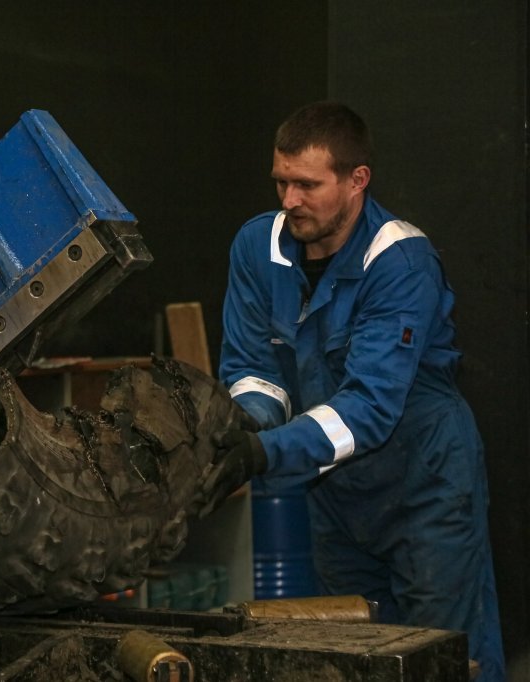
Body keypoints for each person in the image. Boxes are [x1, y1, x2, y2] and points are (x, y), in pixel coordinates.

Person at [198, 101, 505, 680]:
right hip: (336, 496)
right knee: (352, 657)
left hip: (427, 487)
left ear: (357, 179)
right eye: (281, 182)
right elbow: (255, 370)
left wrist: (264, 454)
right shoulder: (256, 248)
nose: (289, 200)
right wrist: (243, 428)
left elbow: (369, 408)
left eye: (307, 185)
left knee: (445, 657)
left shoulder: (401, 261)